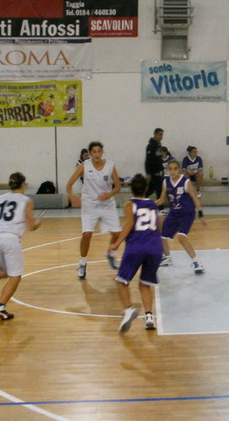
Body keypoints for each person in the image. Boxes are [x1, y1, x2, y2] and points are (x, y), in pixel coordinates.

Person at [0, 172, 42, 320]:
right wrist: (38, 223)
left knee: (7, 271)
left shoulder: (0, 198)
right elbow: (30, 226)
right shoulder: (26, 200)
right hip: (10, 239)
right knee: (16, 276)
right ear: (23, 185)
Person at [108, 174, 163, 333]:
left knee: (121, 282)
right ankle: (149, 318)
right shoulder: (153, 204)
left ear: (130, 188)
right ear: (146, 189)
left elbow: (130, 223)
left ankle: (129, 309)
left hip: (136, 246)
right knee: (145, 284)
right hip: (155, 247)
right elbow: (159, 226)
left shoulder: (129, 205)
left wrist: (117, 243)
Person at [65, 141, 122, 279]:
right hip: (89, 203)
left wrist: (109, 194)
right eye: (94, 152)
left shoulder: (110, 165)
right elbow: (69, 184)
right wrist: (72, 197)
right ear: (90, 154)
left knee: (117, 234)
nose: (96, 154)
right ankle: (82, 263)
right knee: (87, 234)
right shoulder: (84, 166)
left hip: (107, 203)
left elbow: (118, 186)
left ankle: (111, 253)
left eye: (99, 151)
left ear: (102, 152)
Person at [156, 160, 206, 273]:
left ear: (179, 169)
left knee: (181, 237)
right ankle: (167, 258)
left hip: (187, 212)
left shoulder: (185, 181)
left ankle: (197, 262)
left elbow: (194, 198)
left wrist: (201, 214)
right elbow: (162, 199)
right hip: (174, 212)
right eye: (170, 169)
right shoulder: (165, 182)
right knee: (162, 237)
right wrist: (148, 204)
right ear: (167, 170)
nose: (172, 171)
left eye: (175, 168)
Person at [144, 128, 164, 199]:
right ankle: (160, 208)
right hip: (153, 173)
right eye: (160, 134)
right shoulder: (150, 146)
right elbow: (148, 160)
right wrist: (148, 173)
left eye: (162, 135)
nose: (161, 136)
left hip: (158, 172)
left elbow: (159, 158)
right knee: (159, 190)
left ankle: (140, 201)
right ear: (155, 134)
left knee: (151, 190)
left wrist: (162, 169)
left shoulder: (159, 145)